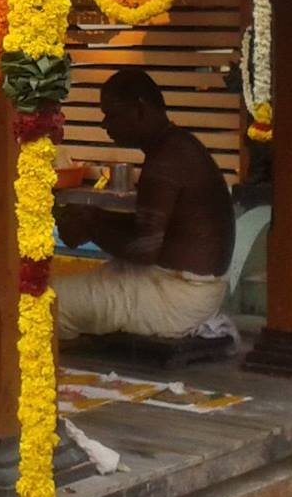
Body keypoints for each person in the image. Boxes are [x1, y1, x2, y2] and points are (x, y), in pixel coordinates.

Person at [52, 67, 234, 341]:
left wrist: (91, 225)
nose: (105, 125)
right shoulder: (175, 146)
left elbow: (144, 249)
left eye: (111, 114)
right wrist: (94, 218)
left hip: (176, 297)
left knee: (47, 304)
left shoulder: (167, 159)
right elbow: (153, 231)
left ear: (139, 110)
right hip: (178, 286)